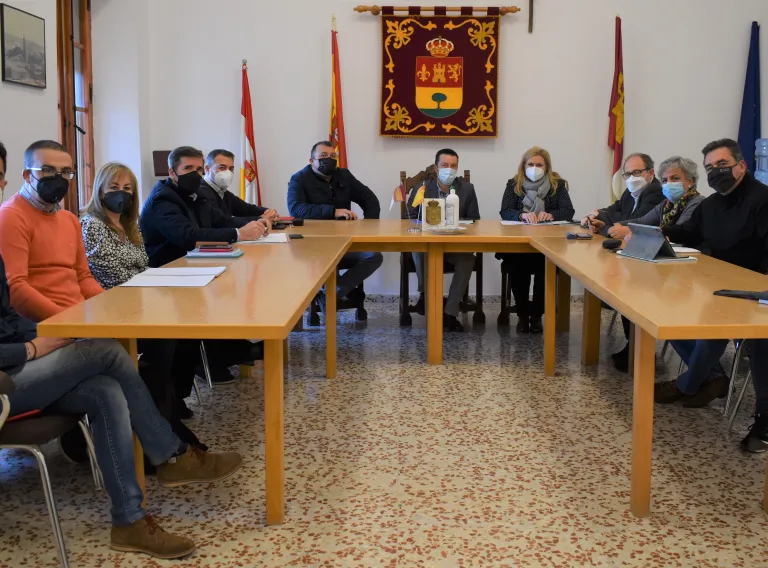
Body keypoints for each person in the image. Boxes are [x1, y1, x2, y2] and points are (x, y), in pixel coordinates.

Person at [0, 141, 242, 558]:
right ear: (25, 176)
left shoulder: (66, 221)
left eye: (66, 172)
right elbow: (19, 293)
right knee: (111, 354)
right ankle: (172, 455)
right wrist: (47, 339)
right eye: (47, 172)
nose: (59, 180)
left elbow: (80, 278)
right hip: (20, 365)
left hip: (53, 336)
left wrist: (102, 315)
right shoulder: (10, 218)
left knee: (107, 388)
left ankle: (129, 520)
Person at [81, 162, 206, 448]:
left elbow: (143, 265)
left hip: (138, 301)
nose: (121, 193)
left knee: (182, 327)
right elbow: (110, 275)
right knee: (163, 340)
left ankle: (169, 408)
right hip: (111, 308)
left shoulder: (129, 224)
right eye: (114, 187)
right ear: (100, 190)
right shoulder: (92, 225)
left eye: (127, 188)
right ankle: (164, 423)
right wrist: (151, 284)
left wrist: (156, 283)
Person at [659, 139, 768, 452]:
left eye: (722, 165)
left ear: (741, 165)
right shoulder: (711, 205)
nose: (716, 172)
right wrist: (654, 232)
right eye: (710, 168)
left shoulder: (762, 200)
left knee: (761, 340)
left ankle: (764, 419)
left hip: (756, 293)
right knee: (671, 314)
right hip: (718, 288)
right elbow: (689, 233)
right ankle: (699, 382)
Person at [139, 146, 266, 385]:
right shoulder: (163, 199)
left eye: (198, 169)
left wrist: (258, 222)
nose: (194, 174)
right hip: (166, 277)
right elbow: (187, 236)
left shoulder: (195, 195)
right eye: (188, 168)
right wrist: (239, 233)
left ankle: (232, 352)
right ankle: (226, 356)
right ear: (172, 172)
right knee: (218, 296)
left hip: (194, 268)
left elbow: (222, 220)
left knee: (232, 288)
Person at [592, 156, 705, 372]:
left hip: (690, 273)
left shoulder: (698, 203)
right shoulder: (666, 204)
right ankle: (634, 345)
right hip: (666, 265)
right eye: (665, 180)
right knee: (630, 284)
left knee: (635, 286)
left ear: (690, 181)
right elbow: (640, 223)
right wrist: (611, 226)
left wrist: (630, 230)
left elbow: (681, 231)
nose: (669, 184)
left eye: (675, 178)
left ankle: (640, 349)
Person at [287, 141, 383, 308]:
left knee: (373, 256)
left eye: (333, 156)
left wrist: (369, 227)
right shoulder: (299, 179)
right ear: (311, 161)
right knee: (328, 261)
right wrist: (333, 211)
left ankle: (330, 294)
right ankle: (338, 294)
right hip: (313, 246)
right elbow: (296, 208)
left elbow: (370, 199)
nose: (328, 159)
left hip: (343, 243)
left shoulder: (344, 175)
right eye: (323, 156)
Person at [499, 147, 575, 333]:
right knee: (518, 268)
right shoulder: (514, 184)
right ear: (523, 166)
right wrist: (521, 215)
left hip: (547, 245)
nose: (534, 168)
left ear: (546, 167)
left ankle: (537, 316)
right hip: (519, 244)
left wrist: (551, 215)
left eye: (539, 165)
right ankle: (523, 315)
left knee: (546, 268)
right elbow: (505, 211)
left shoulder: (557, 185)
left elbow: (568, 211)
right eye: (530, 164)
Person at [404, 149, 480, 332]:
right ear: (436, 168)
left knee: (467, 260)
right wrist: (427, 223)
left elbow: (475, 220)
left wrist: (454, 224)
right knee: (419, 251)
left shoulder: (467, 189)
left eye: (453, 166)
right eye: (445, 165)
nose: (449, 169)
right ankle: (425, 295)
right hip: (428, 244)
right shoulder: (421, 188)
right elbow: (408, 218)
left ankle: (450, 313)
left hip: (455, 244)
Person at [581, 153, 665, 239]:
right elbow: (616, 208)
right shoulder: (631, 190)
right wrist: (595, 214)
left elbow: (636, 221)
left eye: (636, 172)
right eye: (628, 174)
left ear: (650, 173)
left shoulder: (656, 190)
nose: (631, 178)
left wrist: (600, 216)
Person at [198, 148, 280, 222]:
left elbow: (246, 209)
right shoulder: (201, 191)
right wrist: (261, 218)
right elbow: (222, 221)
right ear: (207, 169)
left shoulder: (222, 192)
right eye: (222, 167)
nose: (228, 173)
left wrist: (268, 212)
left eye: (231, 169)